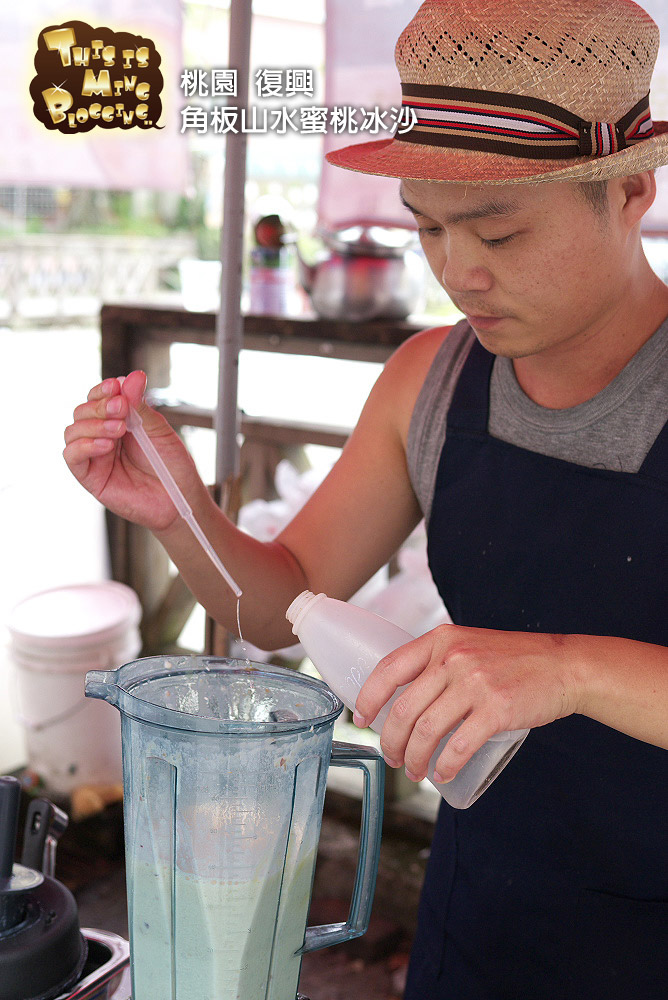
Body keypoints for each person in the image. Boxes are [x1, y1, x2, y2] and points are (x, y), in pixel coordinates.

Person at [64, 0, 668, 996]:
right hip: (479, 915)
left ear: (631, 192)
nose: (457, 271)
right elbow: (282, 598)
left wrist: (567, 669)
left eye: (500, 233)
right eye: (427, 228)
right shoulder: (428, 380)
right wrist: (176, 508)